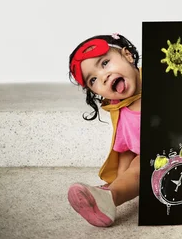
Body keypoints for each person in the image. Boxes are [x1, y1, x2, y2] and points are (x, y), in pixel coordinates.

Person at [66, 33, 142, 227]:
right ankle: (108, 198)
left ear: (128, 56)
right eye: (93, 80)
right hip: (157, 157)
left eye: (105, 63)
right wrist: (120, 180)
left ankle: (107, 195)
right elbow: (126, 149)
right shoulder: (121, 111)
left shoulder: (162, 80)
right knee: (138, 167)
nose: (103, 76)